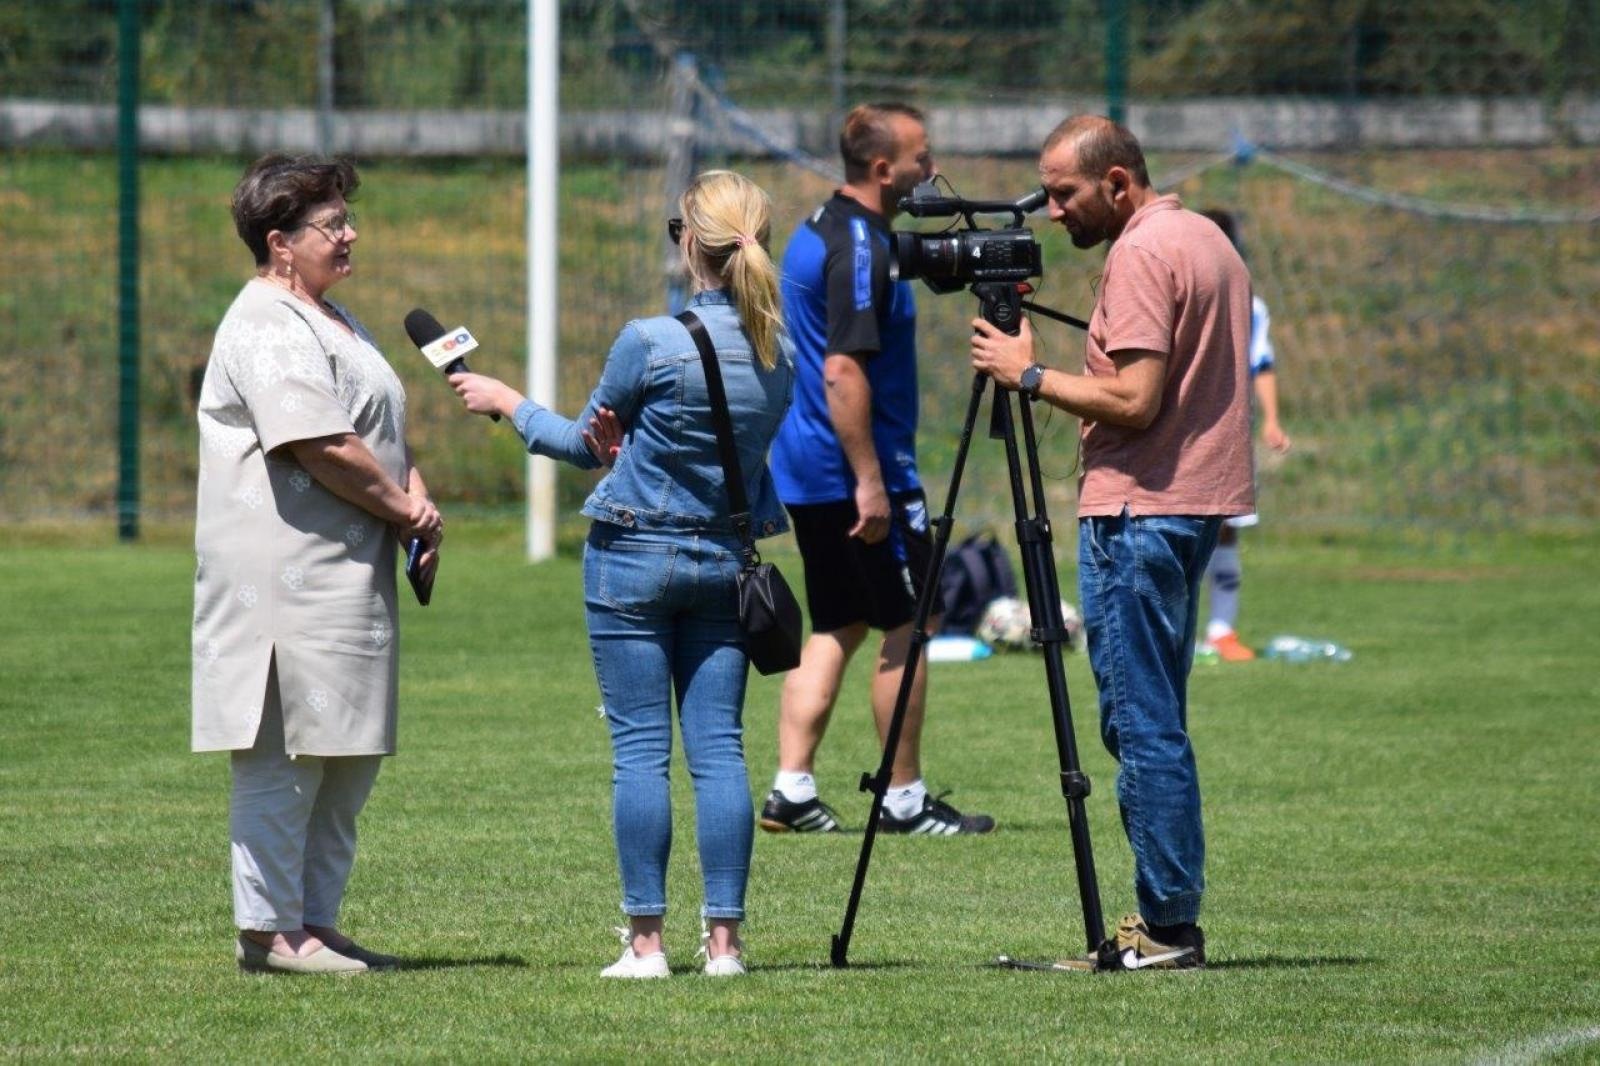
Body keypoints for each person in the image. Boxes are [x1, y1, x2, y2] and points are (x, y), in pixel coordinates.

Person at [449, 170, 793, 979]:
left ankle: (645, 944)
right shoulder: (780, 352)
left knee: (640, 753)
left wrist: (509, 401)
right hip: (723, 561)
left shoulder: (649, 340)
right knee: (720, 752)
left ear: (688, 244)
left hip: (633, 558)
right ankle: (725, 947)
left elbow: (583, 445)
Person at [968, 116, 1255, 967]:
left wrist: (1027, 372)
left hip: (1140, 510)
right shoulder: (1205, 237)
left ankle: (1165, 928)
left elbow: (1134, 400)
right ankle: (1168, 918)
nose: (1054, 213)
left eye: (1065, 193)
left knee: (1141, 722)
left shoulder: (1137, 254)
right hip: (1191, 505)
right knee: (1150, 715)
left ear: (1118, 183)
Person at [193, 154, 443, 975]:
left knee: (343, 755)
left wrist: (416, 491)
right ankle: (268, 931)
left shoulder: (334, 316)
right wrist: (403, 507)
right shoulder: (264, 321)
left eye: (346, 219)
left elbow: (370, 428)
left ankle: (314, 922)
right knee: (285, 756)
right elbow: (318, 441)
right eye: (331, 224)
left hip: (346, 571)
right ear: (280, 242)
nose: (350, 233)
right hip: (282, 579)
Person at [763, 102, 994, 837]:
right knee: (912, 620)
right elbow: (841, 369)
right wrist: (870, 479)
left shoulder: (829, 228)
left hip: (808, 463)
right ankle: (903, 797)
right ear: (884, 168)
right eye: (922, 155)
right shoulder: (858, 247)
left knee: (840, 621)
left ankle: (791, 790)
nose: (932, 167)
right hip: (855, 472)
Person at [1196, 208, 1293, 662]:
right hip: (1181, 436)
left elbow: (1262, 363)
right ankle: (1175, 633)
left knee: (1227, 530)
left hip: (1228, 435)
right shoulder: (1180, 293)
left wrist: (1272, 419)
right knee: (1176, 529)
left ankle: (1221, 631)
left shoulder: (1249, 305)